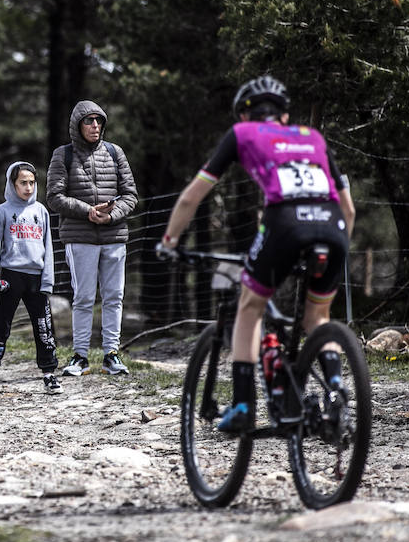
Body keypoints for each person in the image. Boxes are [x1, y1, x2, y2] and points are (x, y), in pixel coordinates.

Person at [158, 75, 356, 433]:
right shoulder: (313, 138)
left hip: (286, 223)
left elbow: (191, 196)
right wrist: (335, 242)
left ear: (245, 115)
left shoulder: (242, 134)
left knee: (250, 305)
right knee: (318, 318)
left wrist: (169, 240)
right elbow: (350, 209)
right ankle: (336, 392)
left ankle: (244, 404)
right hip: (333, 226)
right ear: (284, 116)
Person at [46, 100, 139, 377]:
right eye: (89, 121)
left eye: (99, 121)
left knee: (114, 297)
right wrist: (88, 212)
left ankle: (111, 354)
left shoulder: (115, 152)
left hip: (115, 236)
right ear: (77, 125)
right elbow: (53, 196)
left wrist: (111, 216)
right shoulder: (62, 155)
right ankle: (80, 356)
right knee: (84, 297)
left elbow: (131, 195)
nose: (95, 126)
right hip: (80, 237)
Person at [0, 162, 62, 396]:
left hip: (36, 278)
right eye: (22, 183)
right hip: (11, 277)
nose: (28, 187)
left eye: (32, 183)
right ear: (12, 184)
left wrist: (48, 281)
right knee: (1, 325)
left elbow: (48, 248)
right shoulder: (1, 211)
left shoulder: (41, 211)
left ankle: (49, 374)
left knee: (43, 328)